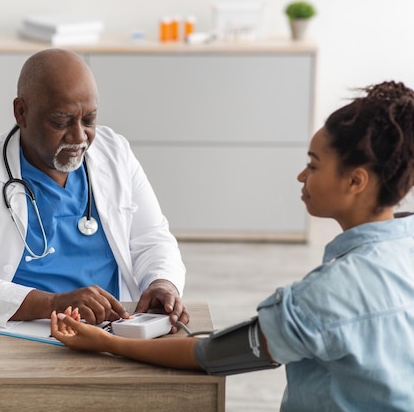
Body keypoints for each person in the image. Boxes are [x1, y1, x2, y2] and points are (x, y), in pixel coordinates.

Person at [51, 81, 414, 411]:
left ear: (355, 180)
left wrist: (107, 342)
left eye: (313, 165)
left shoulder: (328, 296)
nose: (301, 176)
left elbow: (212, 355)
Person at [0, 48, 188, 330]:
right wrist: (53, 303)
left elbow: (153, 239)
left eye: (89, 120)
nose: (78, 137)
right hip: (20, 333)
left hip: (112, 332)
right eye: (61, 122)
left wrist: (162, 281)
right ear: (21, 112)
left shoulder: (115, 154)